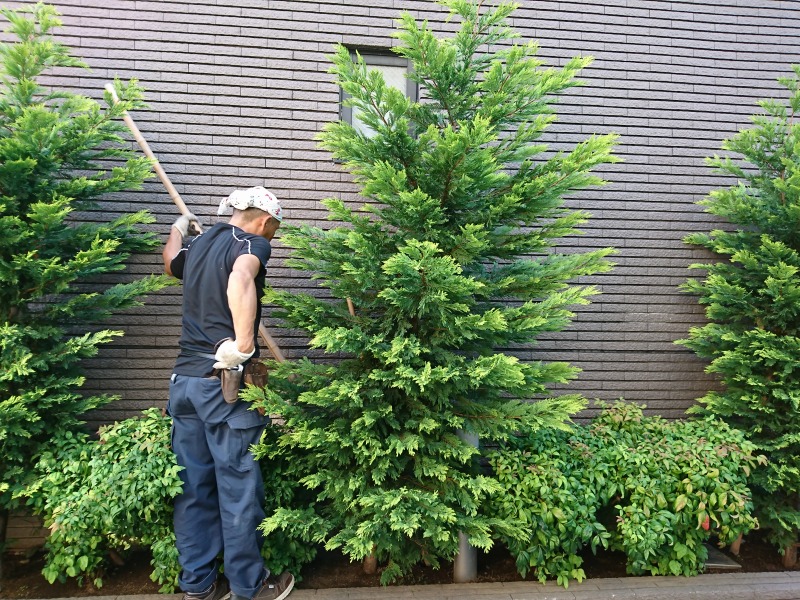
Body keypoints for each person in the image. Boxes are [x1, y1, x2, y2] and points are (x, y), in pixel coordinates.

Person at [162, 186, 294, 600]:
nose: (274, 234)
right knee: (238, 490)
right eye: (275, 227)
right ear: (264, 218)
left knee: (193, 488)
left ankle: (198, 586)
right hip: (223, 386)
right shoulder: (251, 243)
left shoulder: (199, 244)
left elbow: (170, 264)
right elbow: (241, 277)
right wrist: (242, 346)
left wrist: (177, 229)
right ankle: (250, 587)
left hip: (184, 385)